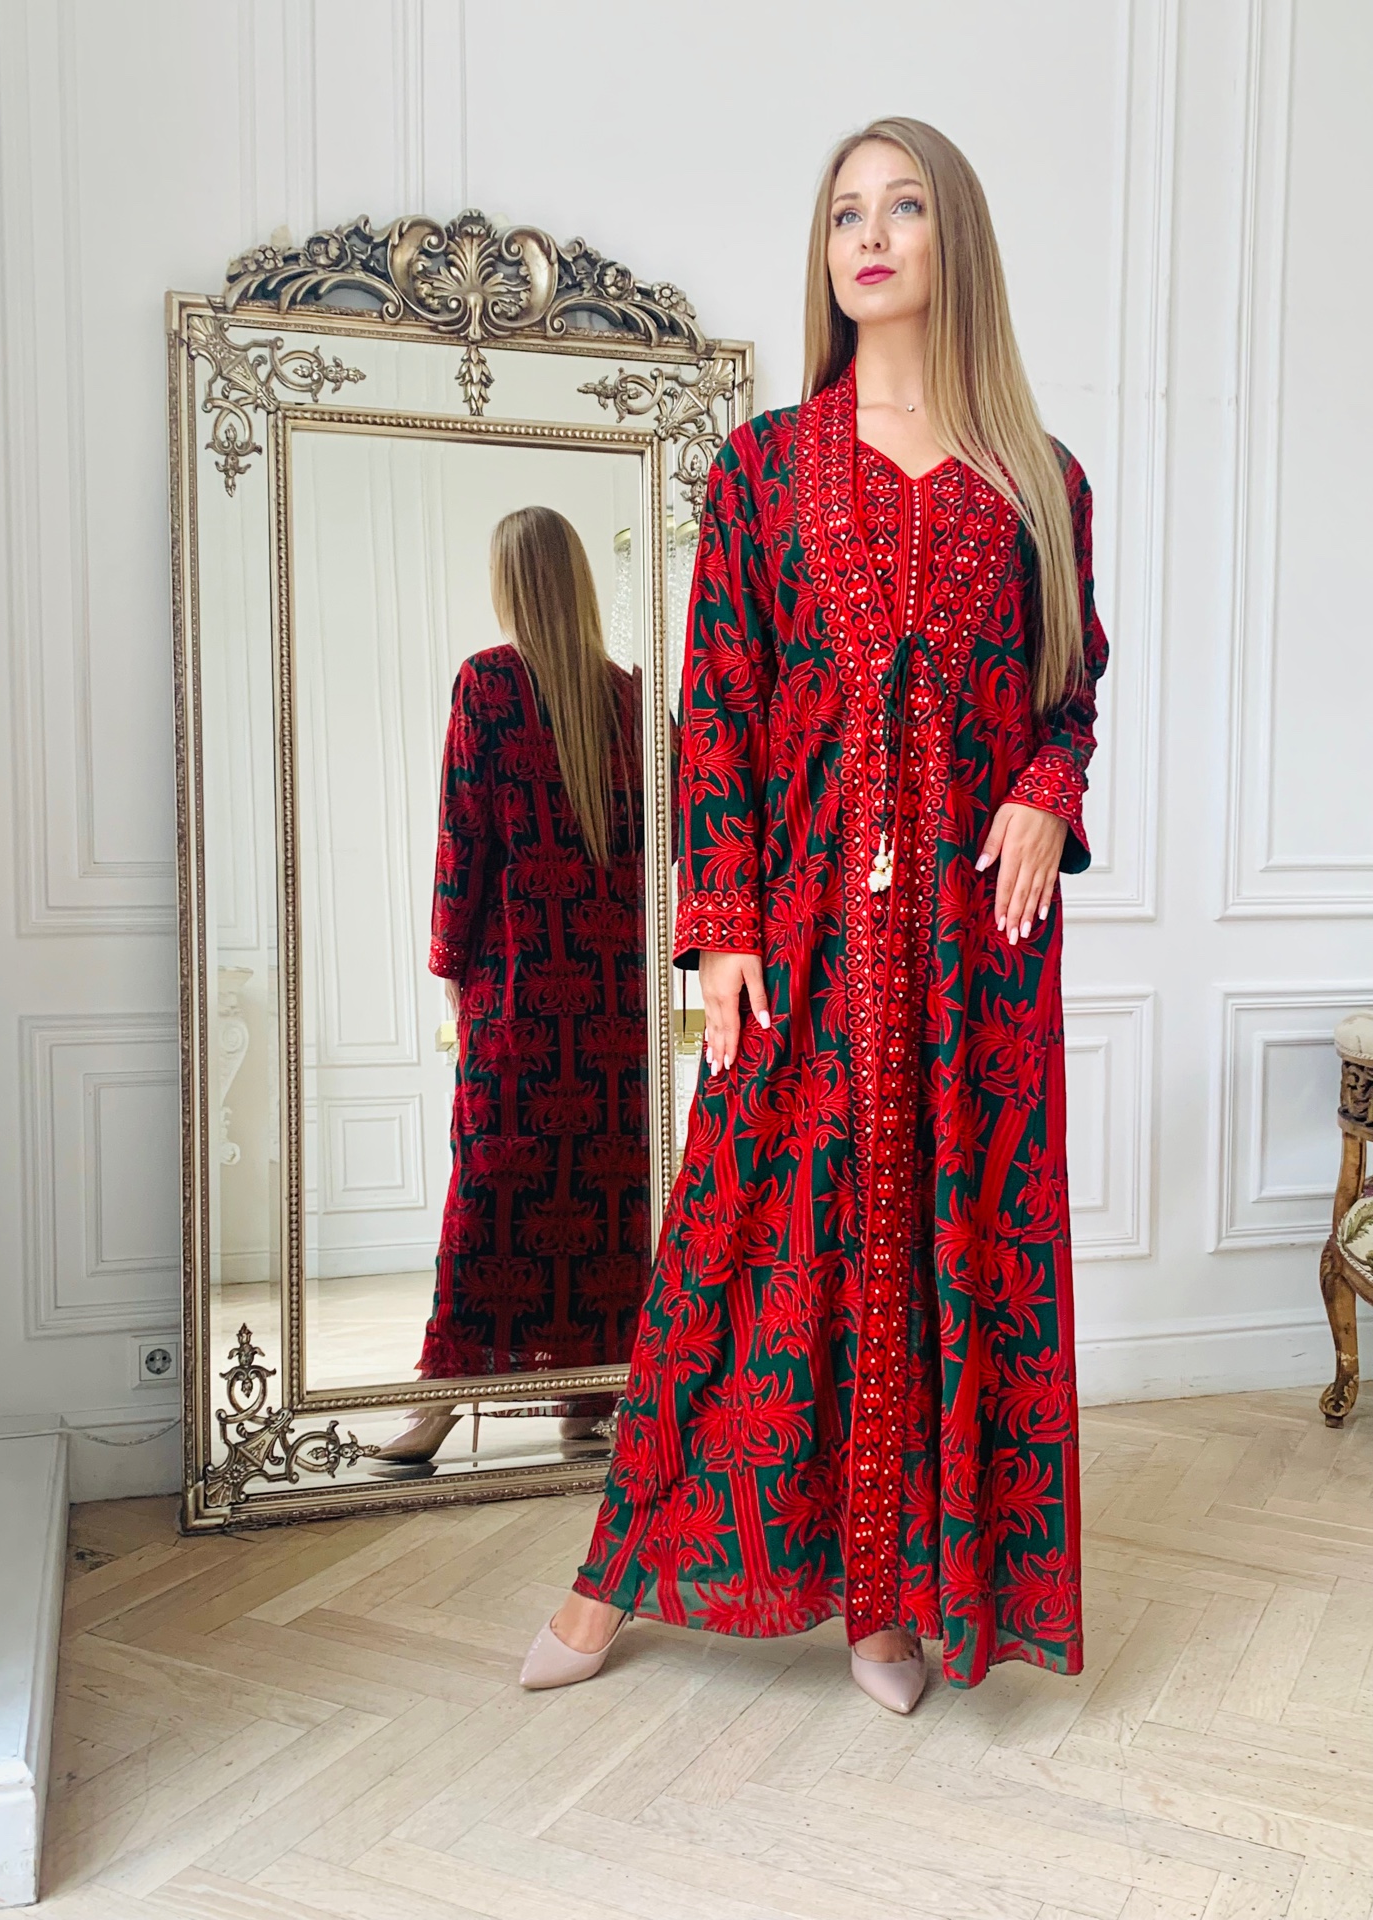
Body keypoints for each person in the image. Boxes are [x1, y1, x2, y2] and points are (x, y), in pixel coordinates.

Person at [519, 117, 1106, 1711]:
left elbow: (1072, 684)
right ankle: (608, 1581)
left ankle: (889, 1609)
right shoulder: (766, 469)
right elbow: (717, 705)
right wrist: (721, 924)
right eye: (848, 212)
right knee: (732, 1243)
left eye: (904, 206)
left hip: (975, 961)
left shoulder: (1040, 482)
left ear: (952, 239)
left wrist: (1048, 784)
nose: (872, 235)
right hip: (800, 941)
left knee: (937, 1253)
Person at [381, 507, 649, 1462]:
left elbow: (464, 840)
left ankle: (444, 1397)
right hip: (616, 1001)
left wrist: (449, 967)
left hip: (521, 991)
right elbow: (668, 845)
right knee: (608, 1196)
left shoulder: (487, 683)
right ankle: (591, 1393)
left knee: (491, 1196)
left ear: (507, 583)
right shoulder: (630, 699)